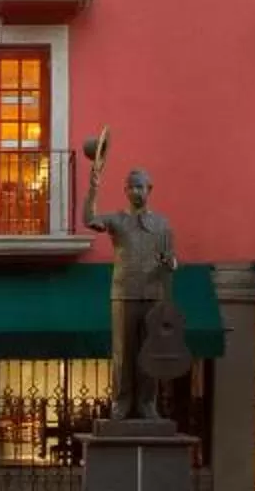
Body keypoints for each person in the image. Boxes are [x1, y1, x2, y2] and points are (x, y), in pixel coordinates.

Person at [83, 138, 178, 422]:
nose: (136, 190)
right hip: (123, 293)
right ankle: (121, 404)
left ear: (149, 190)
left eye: (141, 186)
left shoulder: (162, 224)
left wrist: (170, 263)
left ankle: (147, 404)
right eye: (131, 186)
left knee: (150, 353)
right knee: (123, 354)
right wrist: (93, 186)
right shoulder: (117, 221)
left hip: (152, 293)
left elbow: (171, 258)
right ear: (125, 191)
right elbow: (89, 219)